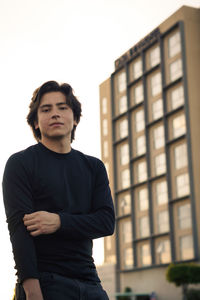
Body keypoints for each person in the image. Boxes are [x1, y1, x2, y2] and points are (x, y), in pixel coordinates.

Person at [2, 80, 115, 300]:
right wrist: (32, 290)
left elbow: (106, 222)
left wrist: (59, 222)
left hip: (91, 282)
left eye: (62, 107)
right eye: (46, 109)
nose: (55, 114)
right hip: (46, 282)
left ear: (74, 118)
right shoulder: (20, 163)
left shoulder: (94, 167)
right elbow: (18, 231)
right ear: (35, 122)